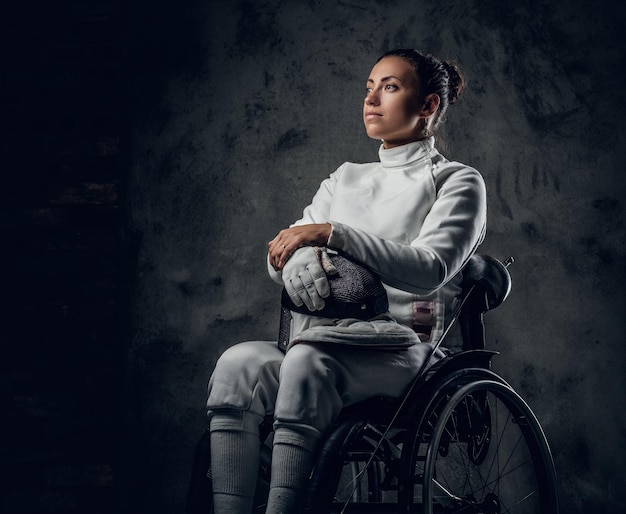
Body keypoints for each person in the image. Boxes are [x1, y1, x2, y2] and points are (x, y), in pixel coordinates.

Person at [205, 48, 487, 514]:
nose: (371, 98)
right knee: (239, 365)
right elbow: (281, 252)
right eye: (369, 87)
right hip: (319, 345)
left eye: (390, 87)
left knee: (307, 362)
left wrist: (334, 234)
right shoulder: (345, 178)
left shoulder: (457, 181)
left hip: (405, 354)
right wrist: (295, 262)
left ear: (429, 105)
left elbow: (430, 269)